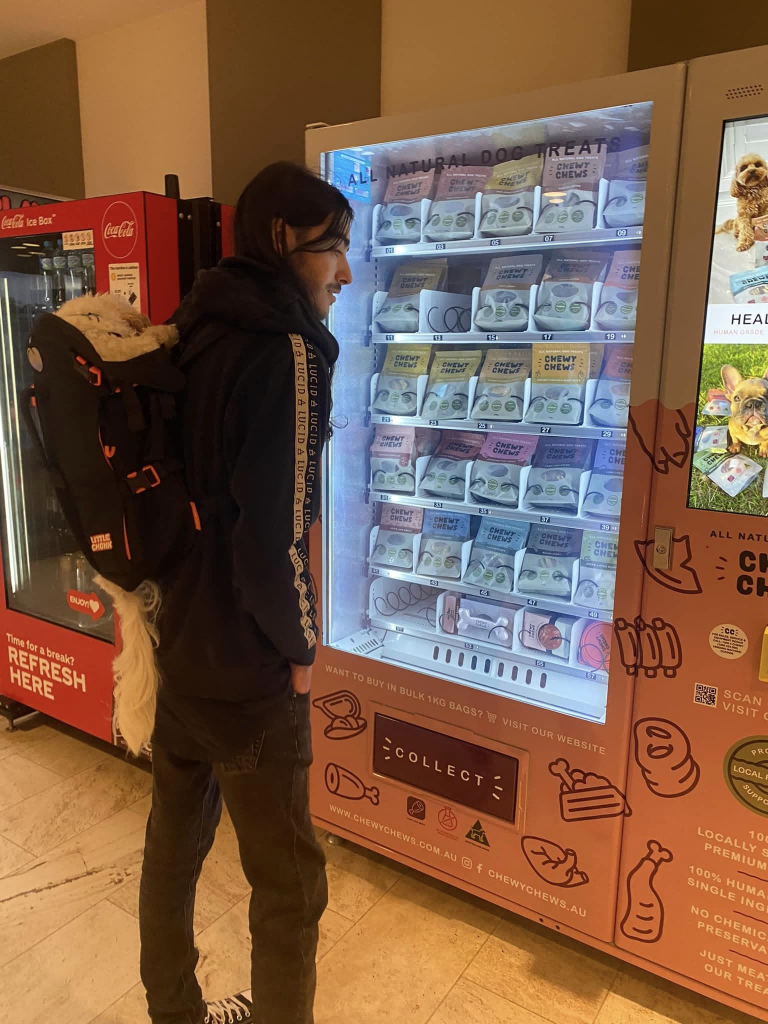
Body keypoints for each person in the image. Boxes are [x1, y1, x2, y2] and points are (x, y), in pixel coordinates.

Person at [138, 162, 353, 1024]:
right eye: (333, 247)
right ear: (282, 242)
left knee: (172, 852)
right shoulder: (290, 351)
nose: (344, 271)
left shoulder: (194, 325)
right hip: (248, 671)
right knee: (290, 888)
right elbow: (274, 540)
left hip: (179, 645)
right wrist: (301, 652)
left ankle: (176, 1013)